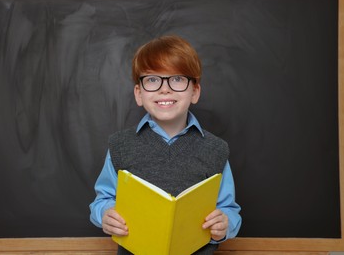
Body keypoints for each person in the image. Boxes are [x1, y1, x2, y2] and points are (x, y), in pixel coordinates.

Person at [89, 35, 241, 254]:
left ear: (195, 92)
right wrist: (105, 213)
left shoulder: (216, 150)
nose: (165, 89)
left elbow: (229, 209)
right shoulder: (120, 146)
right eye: (152, 79)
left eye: (177, 79)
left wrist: (224, 224)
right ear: (139, 94)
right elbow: (103, 199)